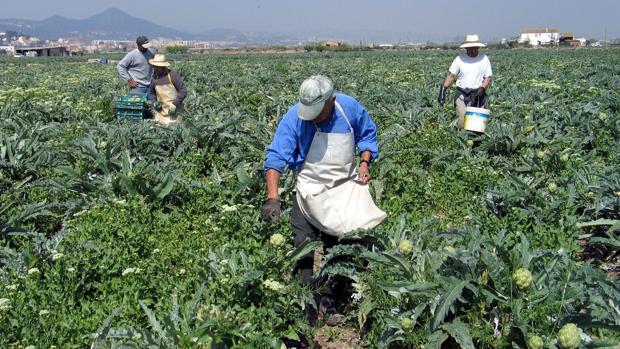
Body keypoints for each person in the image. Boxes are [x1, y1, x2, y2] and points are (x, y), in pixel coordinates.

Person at [261, 75, 387, 325]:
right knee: (303, 248)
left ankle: (330, 300)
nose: (313, 117)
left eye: (318, 111)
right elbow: (276, 157)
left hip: (342, 190)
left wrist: (364, 161)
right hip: (308, 191)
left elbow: (368, 135)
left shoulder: (349, 108)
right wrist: (272, 197)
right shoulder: (295, 117)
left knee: (339, 250)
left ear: (332, 100)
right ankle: (304, 305)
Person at [438, 34, 493, 129]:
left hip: (477, 94)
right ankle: (461, 140)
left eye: (474, 48)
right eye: (469, 48)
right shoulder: (459, 59)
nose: (472, 50)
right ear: (466, 48)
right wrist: (443, 91)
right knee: (461, 122)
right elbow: (451, 76)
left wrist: (482, 88)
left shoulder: (484, 59)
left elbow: (488, 77)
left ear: (478, 47)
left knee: (476, 126)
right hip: (462, 94)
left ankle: (475, 143)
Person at [147, 54, 187, 125]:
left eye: (158, 67)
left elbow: (183, 90)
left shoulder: (172, 75)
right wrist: (154, 102)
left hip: (175, 111)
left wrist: (175, 104)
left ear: (163, 66)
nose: (155, 69)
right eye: (155, 67)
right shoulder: (154, 78)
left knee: (173, 129)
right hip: (161, 112)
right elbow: (151, 93)